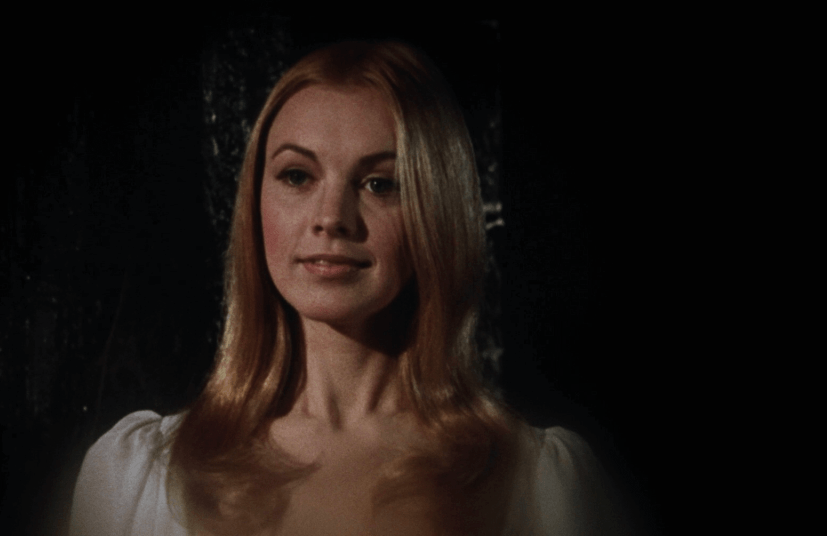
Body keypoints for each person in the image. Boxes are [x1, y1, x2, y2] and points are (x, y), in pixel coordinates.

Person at [70, 40, 623, 536]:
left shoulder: (538, 485)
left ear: (436, 211)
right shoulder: (136, 478)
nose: (331, 217)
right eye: (297, 176)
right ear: (255, 201)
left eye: (379, 183)